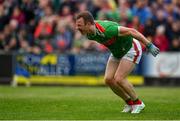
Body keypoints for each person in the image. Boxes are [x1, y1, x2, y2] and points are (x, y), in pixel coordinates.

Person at [75, 11, 159, 114]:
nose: (77, 28)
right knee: (108, 79)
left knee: (119, 78)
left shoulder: (108, 29)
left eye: (79, 25)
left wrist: (148, 45)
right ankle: (129, 103)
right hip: (117, 52)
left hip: (131, 48)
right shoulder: (89, 34)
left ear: (88, 24)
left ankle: (138, 103)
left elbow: (132, 31)